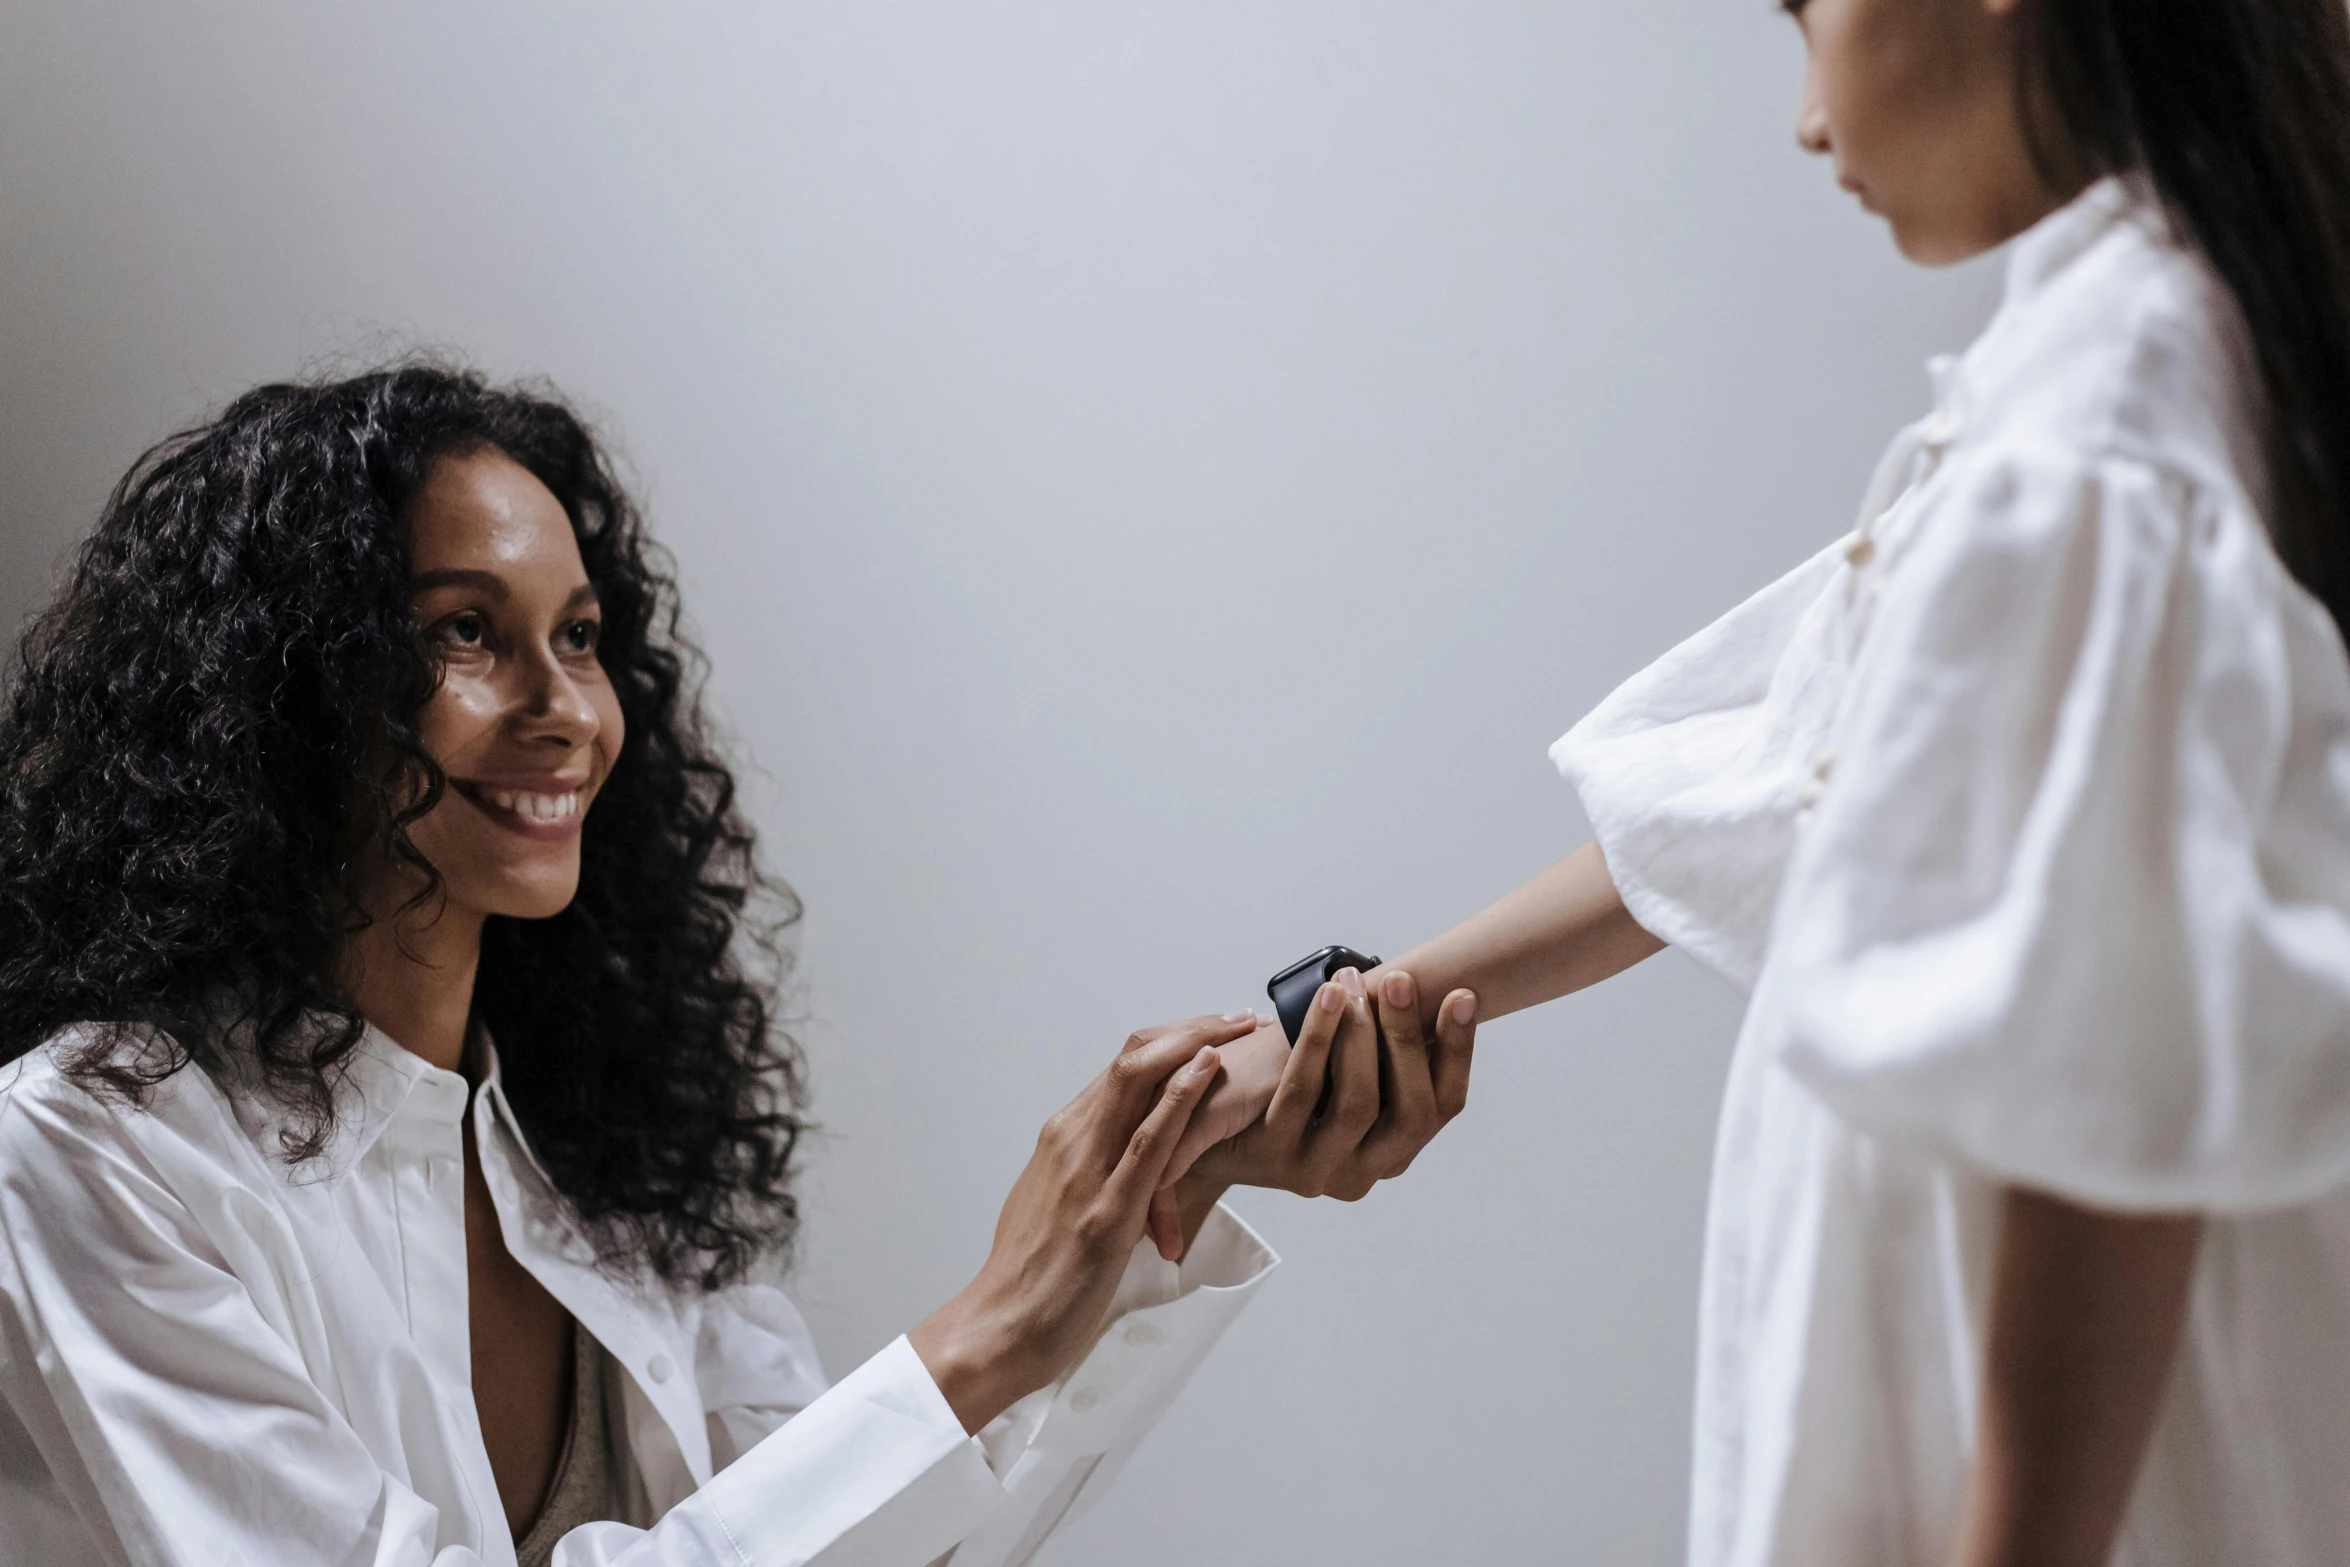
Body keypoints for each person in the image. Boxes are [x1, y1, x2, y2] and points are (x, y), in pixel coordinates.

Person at [1158, 1, 2350, 1563]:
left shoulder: (2090, 450)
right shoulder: (2154, 363)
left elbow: (2101, 1150)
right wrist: (1344, 1019)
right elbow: (1783, 772)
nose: (1804, 119)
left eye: (1808, 20)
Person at [0, 365, 1478, 1566]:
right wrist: (973, 1337)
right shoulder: (86, 1148)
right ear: (287, 684)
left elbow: (867, 1538)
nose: (565, 708)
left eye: (579, 637)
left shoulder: (592, 1175)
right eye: (466, 631)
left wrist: (1150, 1209)